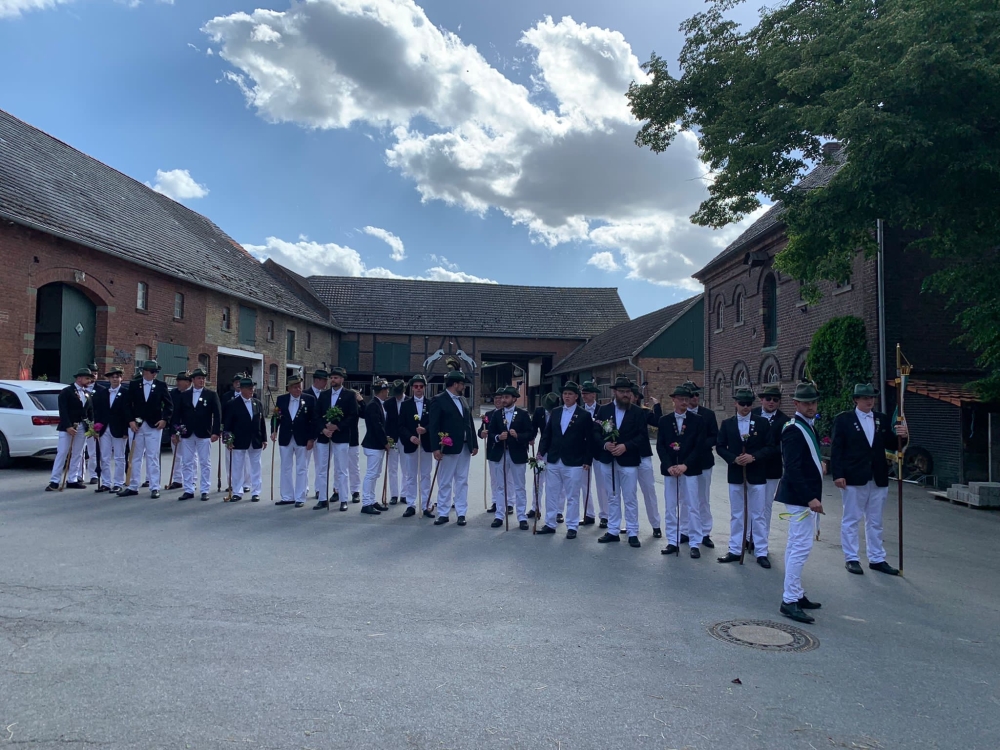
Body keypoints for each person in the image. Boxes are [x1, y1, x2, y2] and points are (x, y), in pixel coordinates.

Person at [831, 383, 908, 576]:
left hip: (878, 475)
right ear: (856, 399)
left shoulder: (881, 419)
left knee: (875, 520)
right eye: (865, 398)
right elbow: (837, 448)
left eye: (872, 398)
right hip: (853, 476)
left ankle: (877, 558)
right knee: (851, 518)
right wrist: (838, 473)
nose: (869, 401)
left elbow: (892, 444)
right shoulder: (844, 420)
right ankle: (851, 558)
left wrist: (903, 437)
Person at [777, 381, 826, 624]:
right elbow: (793, 469)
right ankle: (789, 600)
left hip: (803, 496)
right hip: (800, 498)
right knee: (800, 547)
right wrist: (810, 498)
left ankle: (795, 593)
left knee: (795, 546)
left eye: (813, 402)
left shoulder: (807, 426)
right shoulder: (794, 429)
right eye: (806, 403)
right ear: (796, 404)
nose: (810, 406)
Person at [715, 388, 772, 567]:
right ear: (735, 403)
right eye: (742, 403)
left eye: (748, 404)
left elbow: (770, 446)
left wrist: (753, 457)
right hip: (736, 474)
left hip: (757, 474)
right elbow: (720, 446)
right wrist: (734, 459)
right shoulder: (727, 424)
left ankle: (761, 551)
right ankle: (735, 549)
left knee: (758, 514)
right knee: (737, 513)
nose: (745, 407)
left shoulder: (762, 423)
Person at [594, 377, 647, 547]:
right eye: (622, 391)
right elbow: (595, 432)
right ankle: (613, 530)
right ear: (615, 392)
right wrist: (605, 445)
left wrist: (626, 446)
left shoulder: (637, 412)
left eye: (628, 392)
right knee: (612, 496)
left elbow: (642, 436)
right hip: (608, 459)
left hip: (629, 460)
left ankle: (632, 532)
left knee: (630, 497)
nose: (625, 394)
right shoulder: (604, 410)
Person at [537, 382, 593, 538]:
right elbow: (547, 434)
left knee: (572, 495)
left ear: (576, 397)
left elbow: (589, 440)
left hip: (574, 460)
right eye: (565, 394)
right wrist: (541, 453)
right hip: (554, 458)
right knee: (551, 493)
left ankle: (572, 526)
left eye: (570, 394)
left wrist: (587, 460)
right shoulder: (555, 412)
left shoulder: (584, 415)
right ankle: (550, 523)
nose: (567, 396)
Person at [657, 385, 705, 558]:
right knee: (671, 506)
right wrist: (669, 465)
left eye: (687, 399)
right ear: (674, 400)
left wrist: (686, 465)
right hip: (671, 470)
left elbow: (699, 446)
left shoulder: (697, 420)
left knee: (692, 506)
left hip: (689, 470)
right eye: (681, 399)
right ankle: (672, 540)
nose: (684, 402)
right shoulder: (664, 420)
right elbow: (661, 446)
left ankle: (694, 542)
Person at [428, 370, 479, 525]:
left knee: (462, 480)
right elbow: (433, 426)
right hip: (447, 447)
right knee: (445, 481)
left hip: (464, 446)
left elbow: (469, 423)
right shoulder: (438, 400)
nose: (463, 387)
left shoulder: (463, 400)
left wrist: (474, 443)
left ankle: (461, 512)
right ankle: (443, 512)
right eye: (462, 384)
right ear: (455, 384)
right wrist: (435, 447)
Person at [119, 360, 172, 499]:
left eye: (156, 372)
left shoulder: (161, 385)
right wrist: (130, 421)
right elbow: (127, 404)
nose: (155, 374)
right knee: (135, 457)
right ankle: (133, 486)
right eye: (152, 371)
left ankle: (154, 487)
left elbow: (169, 405)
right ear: (145, 372)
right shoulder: (134, 385)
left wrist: (164, 419)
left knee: (152, 456)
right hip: (137, 426)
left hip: (154, 425)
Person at [486, 385, 532, 530]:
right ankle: (499, 515)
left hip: (517, 454)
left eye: (506, 397)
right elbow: (491, 433)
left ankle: (522, 517)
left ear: (514, 399)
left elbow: (530, 433)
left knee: (519, 486)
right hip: (501, 453)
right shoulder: (497, 415)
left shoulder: (523, 414)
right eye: (502, 397)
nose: (503, 400)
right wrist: (498, 437)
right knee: (500, 486)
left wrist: (518, 435)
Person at [314, 367, 358, 511]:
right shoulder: (324, 395)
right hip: (324, 436)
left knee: (341, 469)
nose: (333, 380)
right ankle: (322, 499)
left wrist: (337, 426)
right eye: (331, 378)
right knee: (322, 468)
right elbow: (316, 414)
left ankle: (343, 499)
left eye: (336, 378)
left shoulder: (349, 395)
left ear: (342, 379)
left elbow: (353, 416)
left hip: (341, 436)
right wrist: (324, 429)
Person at [752, 383, 790, 551]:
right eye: (768, 399)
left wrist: (761, 453)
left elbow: (781, 446)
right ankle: (749, 538)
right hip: (752, 466)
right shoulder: (752, 414)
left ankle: (762, 541)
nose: (771, 402)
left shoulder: (785, 421)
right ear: (761, 400)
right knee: (751, 505)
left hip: (771, 468)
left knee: (765, 506)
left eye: (775, 399)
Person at [176, 368, 222, 502]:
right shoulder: (184, 395)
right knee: (187, 462)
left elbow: (217, 415)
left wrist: (215, 431)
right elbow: (177, 414)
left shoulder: (211, 394)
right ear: (193, 380)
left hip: (204, 433)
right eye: (199, 378)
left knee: (205, 462)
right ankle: (188, 489)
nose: (202, 380)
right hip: (187, 432)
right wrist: (176, 431)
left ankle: (204, 490)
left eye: (203, 378)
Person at [271, 376, 318, 508]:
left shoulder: (309, 399)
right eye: (295, 387)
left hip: (302, 438)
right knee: (285, 467)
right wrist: (274, 430)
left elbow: (314, 421)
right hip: (286, 437)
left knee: (301, 468)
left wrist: (311, 438)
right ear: (289, 388)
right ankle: (287, 496)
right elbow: (276, 417)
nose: (298, 389)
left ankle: (300, 497)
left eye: (299, 387)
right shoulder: (281, 399)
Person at [46, 367, 95, 491]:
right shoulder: (67, 392)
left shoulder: (87, 393)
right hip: (67, 427)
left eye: (90, 378)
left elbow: (89, 412)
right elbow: (63, 411)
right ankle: (54, 480)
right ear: (79, 378)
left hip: (82, 427)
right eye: (87, 378)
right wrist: (68, 426)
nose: (89, 381)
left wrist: (91, 427)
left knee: (78, 454)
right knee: (62, 452)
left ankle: (73, 479)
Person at [685, 381, 718, 549]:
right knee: (685, 499)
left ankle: (705, 532)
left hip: (704, 460)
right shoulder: (680, 414)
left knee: (703, 498)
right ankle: (685, 530)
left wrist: (700, 446)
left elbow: (715, 436)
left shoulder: (708, 414)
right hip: (685, 462)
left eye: (697, 394)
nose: (695, 398)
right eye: (691, 395)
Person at [224, 377, 267, 502]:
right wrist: (228, 440)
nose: (251, 390)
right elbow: (227, 424)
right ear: (242, 389)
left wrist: (264, 438)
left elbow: (262, 422)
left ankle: (256, 492)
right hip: (239, 439)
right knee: (238, 466)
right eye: (249, 388)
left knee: (256, 467)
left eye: (252, 388)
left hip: (255, 439)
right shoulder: (232, 404)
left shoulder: (257, 403)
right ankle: (237, 491)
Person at [398, 374, 433, 518]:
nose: (418, 389)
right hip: (411, 444)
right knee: (411, 476)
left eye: (421, 386)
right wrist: (410, 437)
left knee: (426, 475)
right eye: (416, 386)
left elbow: (434, 422)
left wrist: (425, 430)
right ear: (412, 388)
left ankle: (426, 505)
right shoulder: (405, 404)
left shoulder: (431, 403)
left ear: (424, 388)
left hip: (426, 444)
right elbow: (401, 426)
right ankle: (410, 505)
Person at [92, 367, 130, 494]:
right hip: (104, 428)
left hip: (119, 429)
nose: (115, 379)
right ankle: (106, 483)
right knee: (104, 456)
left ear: (121, 378)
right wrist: (97, 427)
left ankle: (118, 483)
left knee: (119, 457)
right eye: (112, 377)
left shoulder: (125, 393)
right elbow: (98, 411)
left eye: (117, 377)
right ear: (108, 379)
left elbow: (127, 412)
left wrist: (126, 431)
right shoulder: (103, 393)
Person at [632, 382, 662, 539]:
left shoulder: (643, 412)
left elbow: (658, 421)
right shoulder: (618, 413)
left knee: (649, 491)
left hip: (643, 456)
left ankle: (656, 525)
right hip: (625, 457)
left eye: (631, 394)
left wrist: (657, 406)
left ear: (636, 398)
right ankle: (631, 525)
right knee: (629, 494)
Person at [527, 392, 560, 522]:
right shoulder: (539, 411)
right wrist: (531, 437)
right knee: (538, 479)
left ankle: (558, 511)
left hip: (557, 450)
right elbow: (534, 427)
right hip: (542, 449)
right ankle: (535, 507)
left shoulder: (560, 411)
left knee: (558, 483)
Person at [360, 380, 391, 515]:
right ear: (383, 391)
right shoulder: (373, 405)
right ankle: (366, 502)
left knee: (375, 474)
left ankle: (372, 500)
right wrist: (385, 442)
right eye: (387, 390)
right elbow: (376, 426)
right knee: (371, 474)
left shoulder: (379, 404)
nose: (388, 392)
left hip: (376, 445)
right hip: (373, 444)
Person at [579, 380, 606, 526]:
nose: (584, 396)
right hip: (584, 450)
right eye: (583, 393)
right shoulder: (579, 411)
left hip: (599, 451)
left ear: (594, 395)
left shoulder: (602, 410)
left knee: (602, 485)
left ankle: (605, 515)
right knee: (584, 484)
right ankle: (588, 513)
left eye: (587, 393)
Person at [306, 369, 330, 501]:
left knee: (320, 464)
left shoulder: (326, 395)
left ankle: (319, 489)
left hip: (322, 433)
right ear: (317, 380)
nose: (326, 383)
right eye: (324, 380)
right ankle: (304, 488)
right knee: (304, 463)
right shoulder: (306, 394)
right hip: (308, 433)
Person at [166, 372, 193, 491]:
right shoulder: (173, 393)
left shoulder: (194, 393)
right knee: (177, 455)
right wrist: (173, 431)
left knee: (191, 457)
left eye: (180, 381)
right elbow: (172, 413)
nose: (177, 383)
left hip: (190, 430)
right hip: (176, 427)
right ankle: (177, 479)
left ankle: (192, 480)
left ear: (188, 382)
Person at [481, 389, 505, 516]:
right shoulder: (488, 414)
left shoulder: (507, 414)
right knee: (494, 478)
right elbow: (481, 430)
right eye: (496, 398)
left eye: (500, 398)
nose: (498, 400)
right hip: (492, 449)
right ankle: (495, 501)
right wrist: (482, 433)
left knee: (508, 478)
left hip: (505, 449)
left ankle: (509, 502)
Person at [384, 379, 407, 505]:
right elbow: (385, 422)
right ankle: (394, 494)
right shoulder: (388, 403)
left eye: (399, 392)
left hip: (405, 439)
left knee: (406, 468)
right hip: (392, 439)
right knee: (392, 468)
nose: (397, 395)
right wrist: (386, 439)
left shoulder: (409, 402)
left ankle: (404, 494)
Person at [83, 363, 102, 484]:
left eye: (95, 373)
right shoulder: (79, 389)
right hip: (80, 423)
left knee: (93, 451)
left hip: (93, 423)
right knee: (79, 452)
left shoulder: (101, 390)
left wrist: (97, 424)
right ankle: (78, 475)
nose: (94, 376)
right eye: (91, 374)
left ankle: (94, 474)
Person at [348, 389, 365, 503]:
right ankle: (337, 490)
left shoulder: (357, 406)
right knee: (339, 468)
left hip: (353, 439)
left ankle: (355, 491)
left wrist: (361, 401)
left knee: (354, 467)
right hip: (339, 438)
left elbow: (365, 414)